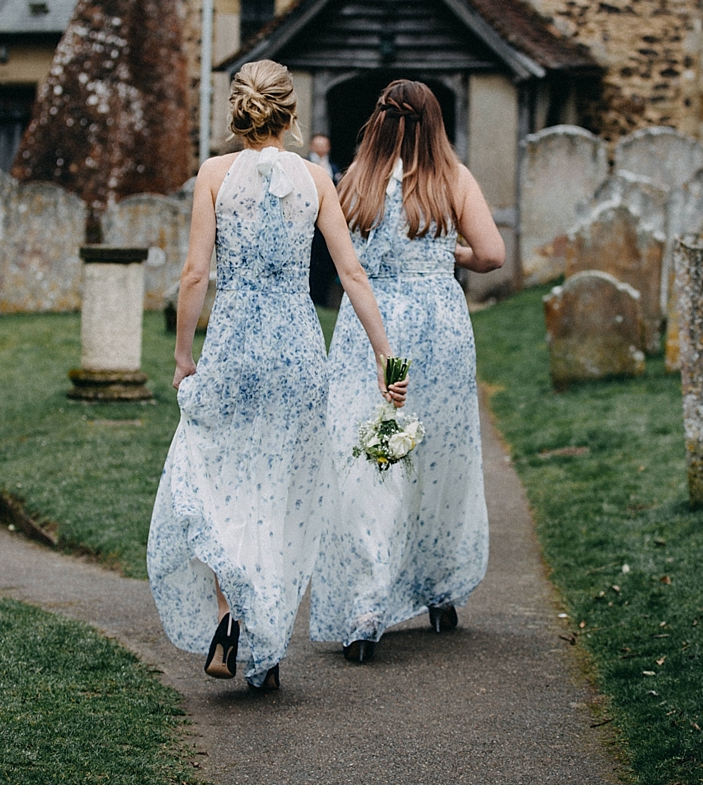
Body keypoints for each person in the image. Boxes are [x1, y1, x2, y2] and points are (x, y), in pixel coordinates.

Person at [146, 59, 406, 692]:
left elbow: (193, 276)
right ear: (290, 115)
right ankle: (266, 645)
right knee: (284, 494)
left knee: (221, 481)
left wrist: (184, 359)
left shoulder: (213, 174)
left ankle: (233, 620)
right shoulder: (316, 177)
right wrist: (387, 360)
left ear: (240, 110)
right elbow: (353, 276)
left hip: (233, 348)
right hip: (296, 353)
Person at [308, 79, 505, 663]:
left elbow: (340, 259)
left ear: (379, 122)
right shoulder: (453, 179)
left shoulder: (354, 181)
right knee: (437, 456)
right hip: (437, 334)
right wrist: (452, 252)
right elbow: (492, 254)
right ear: (434, 123)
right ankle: (439, 587)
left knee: (373, 458)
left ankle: (366, 603)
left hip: (373, 334)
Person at [307, 134, 340, 306]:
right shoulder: (303, 164)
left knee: (327, 260)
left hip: (328, 219)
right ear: (311, 145)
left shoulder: (333, 167)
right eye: (317, 144)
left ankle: (323, 298)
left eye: (324, 144)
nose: (321, 148)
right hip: (309, 218)